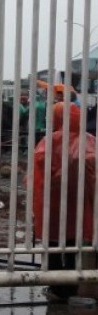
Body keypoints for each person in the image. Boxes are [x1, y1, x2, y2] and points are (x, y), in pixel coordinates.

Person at [32, 101, 97, 301]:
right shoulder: (90, 141)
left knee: (53, 246)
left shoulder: (50, 141)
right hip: (80, 203)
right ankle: (71, 285)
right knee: (74, 245)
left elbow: (40, 166)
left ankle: (56, 288)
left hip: (54, 202)